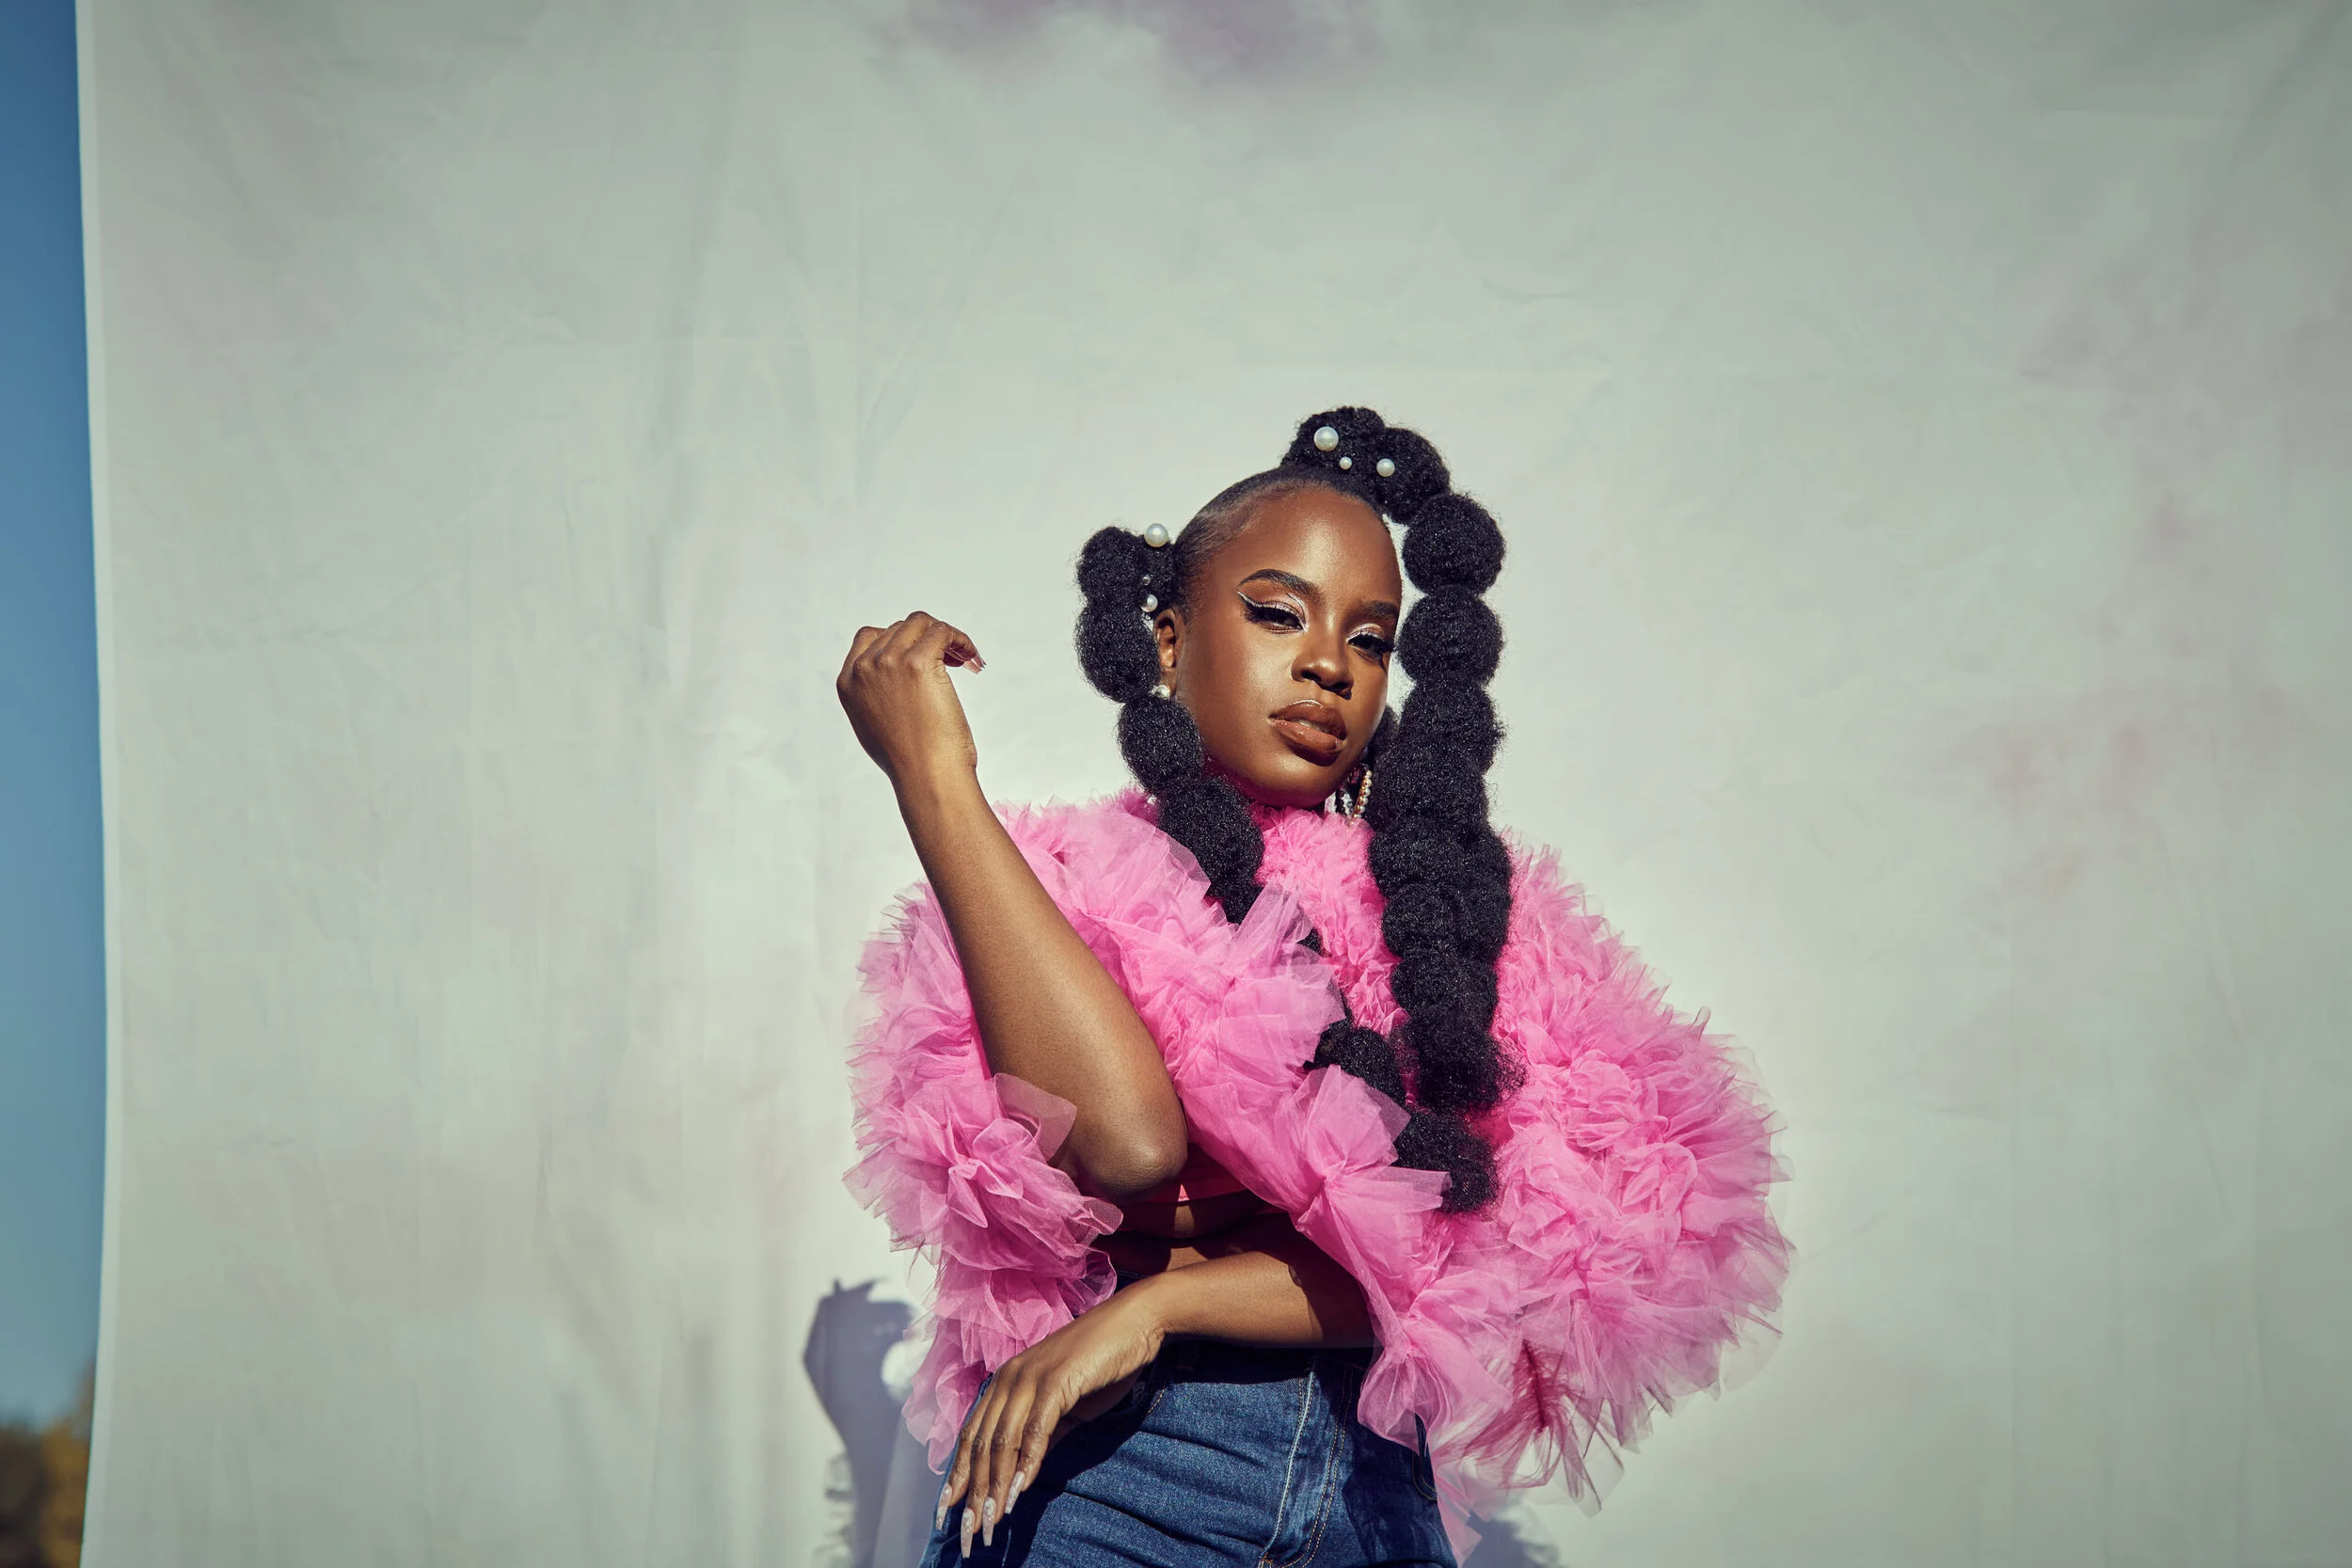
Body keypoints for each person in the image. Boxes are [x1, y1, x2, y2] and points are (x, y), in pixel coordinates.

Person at [835, 406, 1791, 1566]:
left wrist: (1159, 1298)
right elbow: (1130, 1143)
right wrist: (935, 781)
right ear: (1170, 640)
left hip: (1369, 1499)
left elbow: (1469, 1266)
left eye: (1372, 637)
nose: (1329, 664)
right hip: (1117, 1482)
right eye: (1278, 612)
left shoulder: (1441, 916)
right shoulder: (1058, 883)